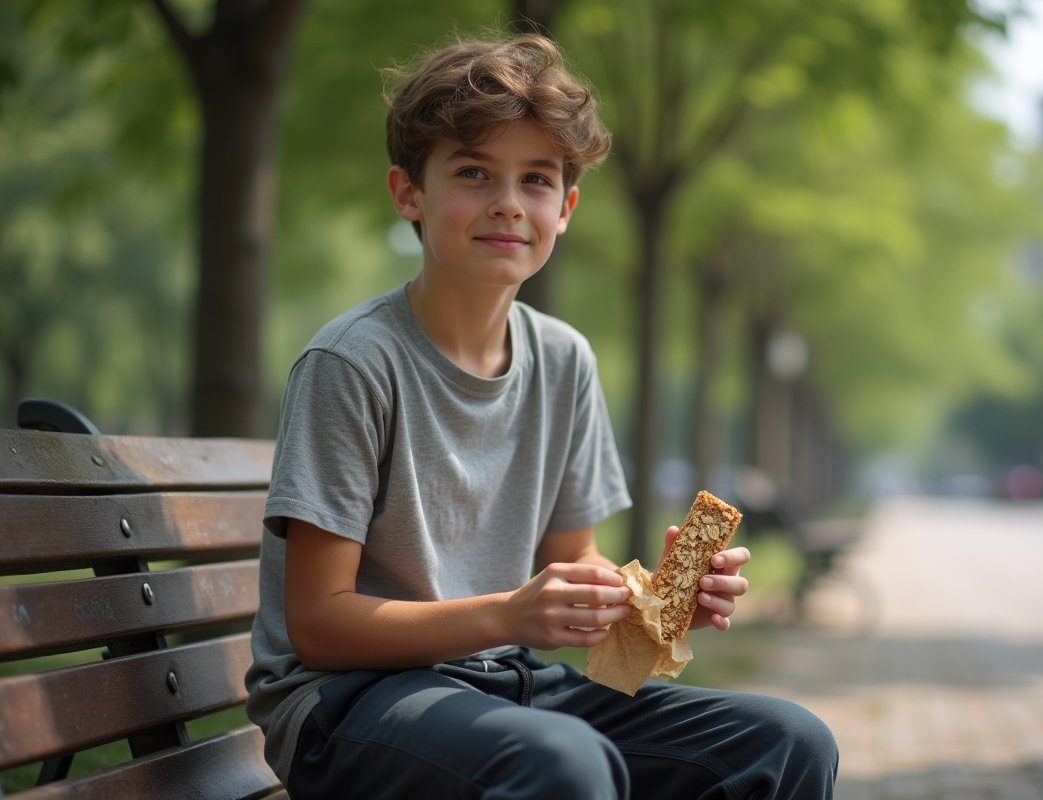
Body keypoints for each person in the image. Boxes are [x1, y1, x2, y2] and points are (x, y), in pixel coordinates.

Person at [245, 32, 838, 800]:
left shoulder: (563, 360)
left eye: (536, 179)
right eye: (472, 172)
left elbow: (576, 562)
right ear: (407, 193)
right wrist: (512, 615)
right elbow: (319, 625)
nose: (507, 203)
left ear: (567, 208)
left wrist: (657, 607)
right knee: (562, 763)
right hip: (349, 703)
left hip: (502, 682)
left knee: (789, 742)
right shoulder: (354, 364)